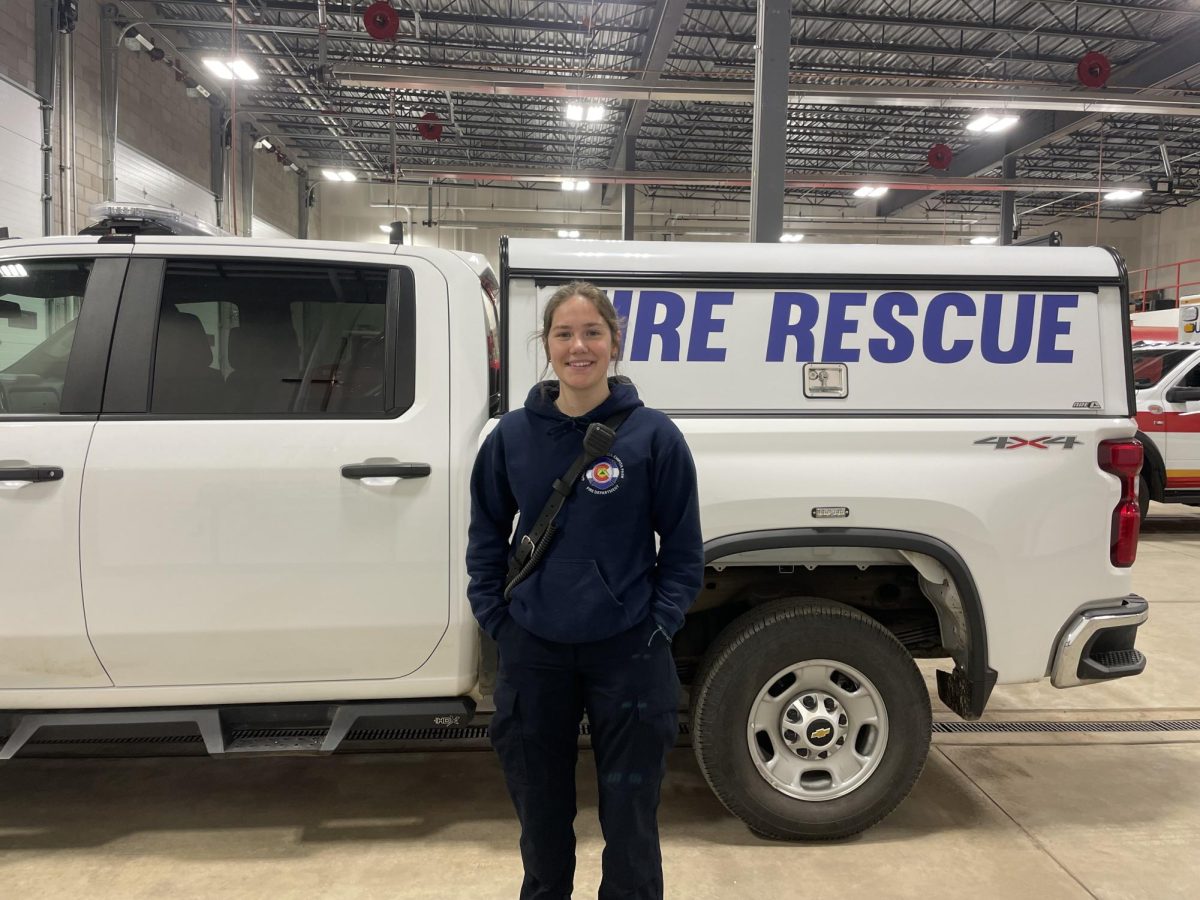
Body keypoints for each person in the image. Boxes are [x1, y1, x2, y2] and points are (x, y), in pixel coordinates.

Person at [466, 281, 704, 900]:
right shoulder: (511, 437)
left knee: (630, 820)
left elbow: (682, 551)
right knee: (541, 818)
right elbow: (485, 535)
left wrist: (660, 623)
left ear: (614, 342)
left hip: (629, 652)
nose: (579, 346)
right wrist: (499, 620)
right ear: (546, 345)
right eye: (564, 333)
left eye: (592, 332)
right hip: (534, 652)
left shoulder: (654, 437)